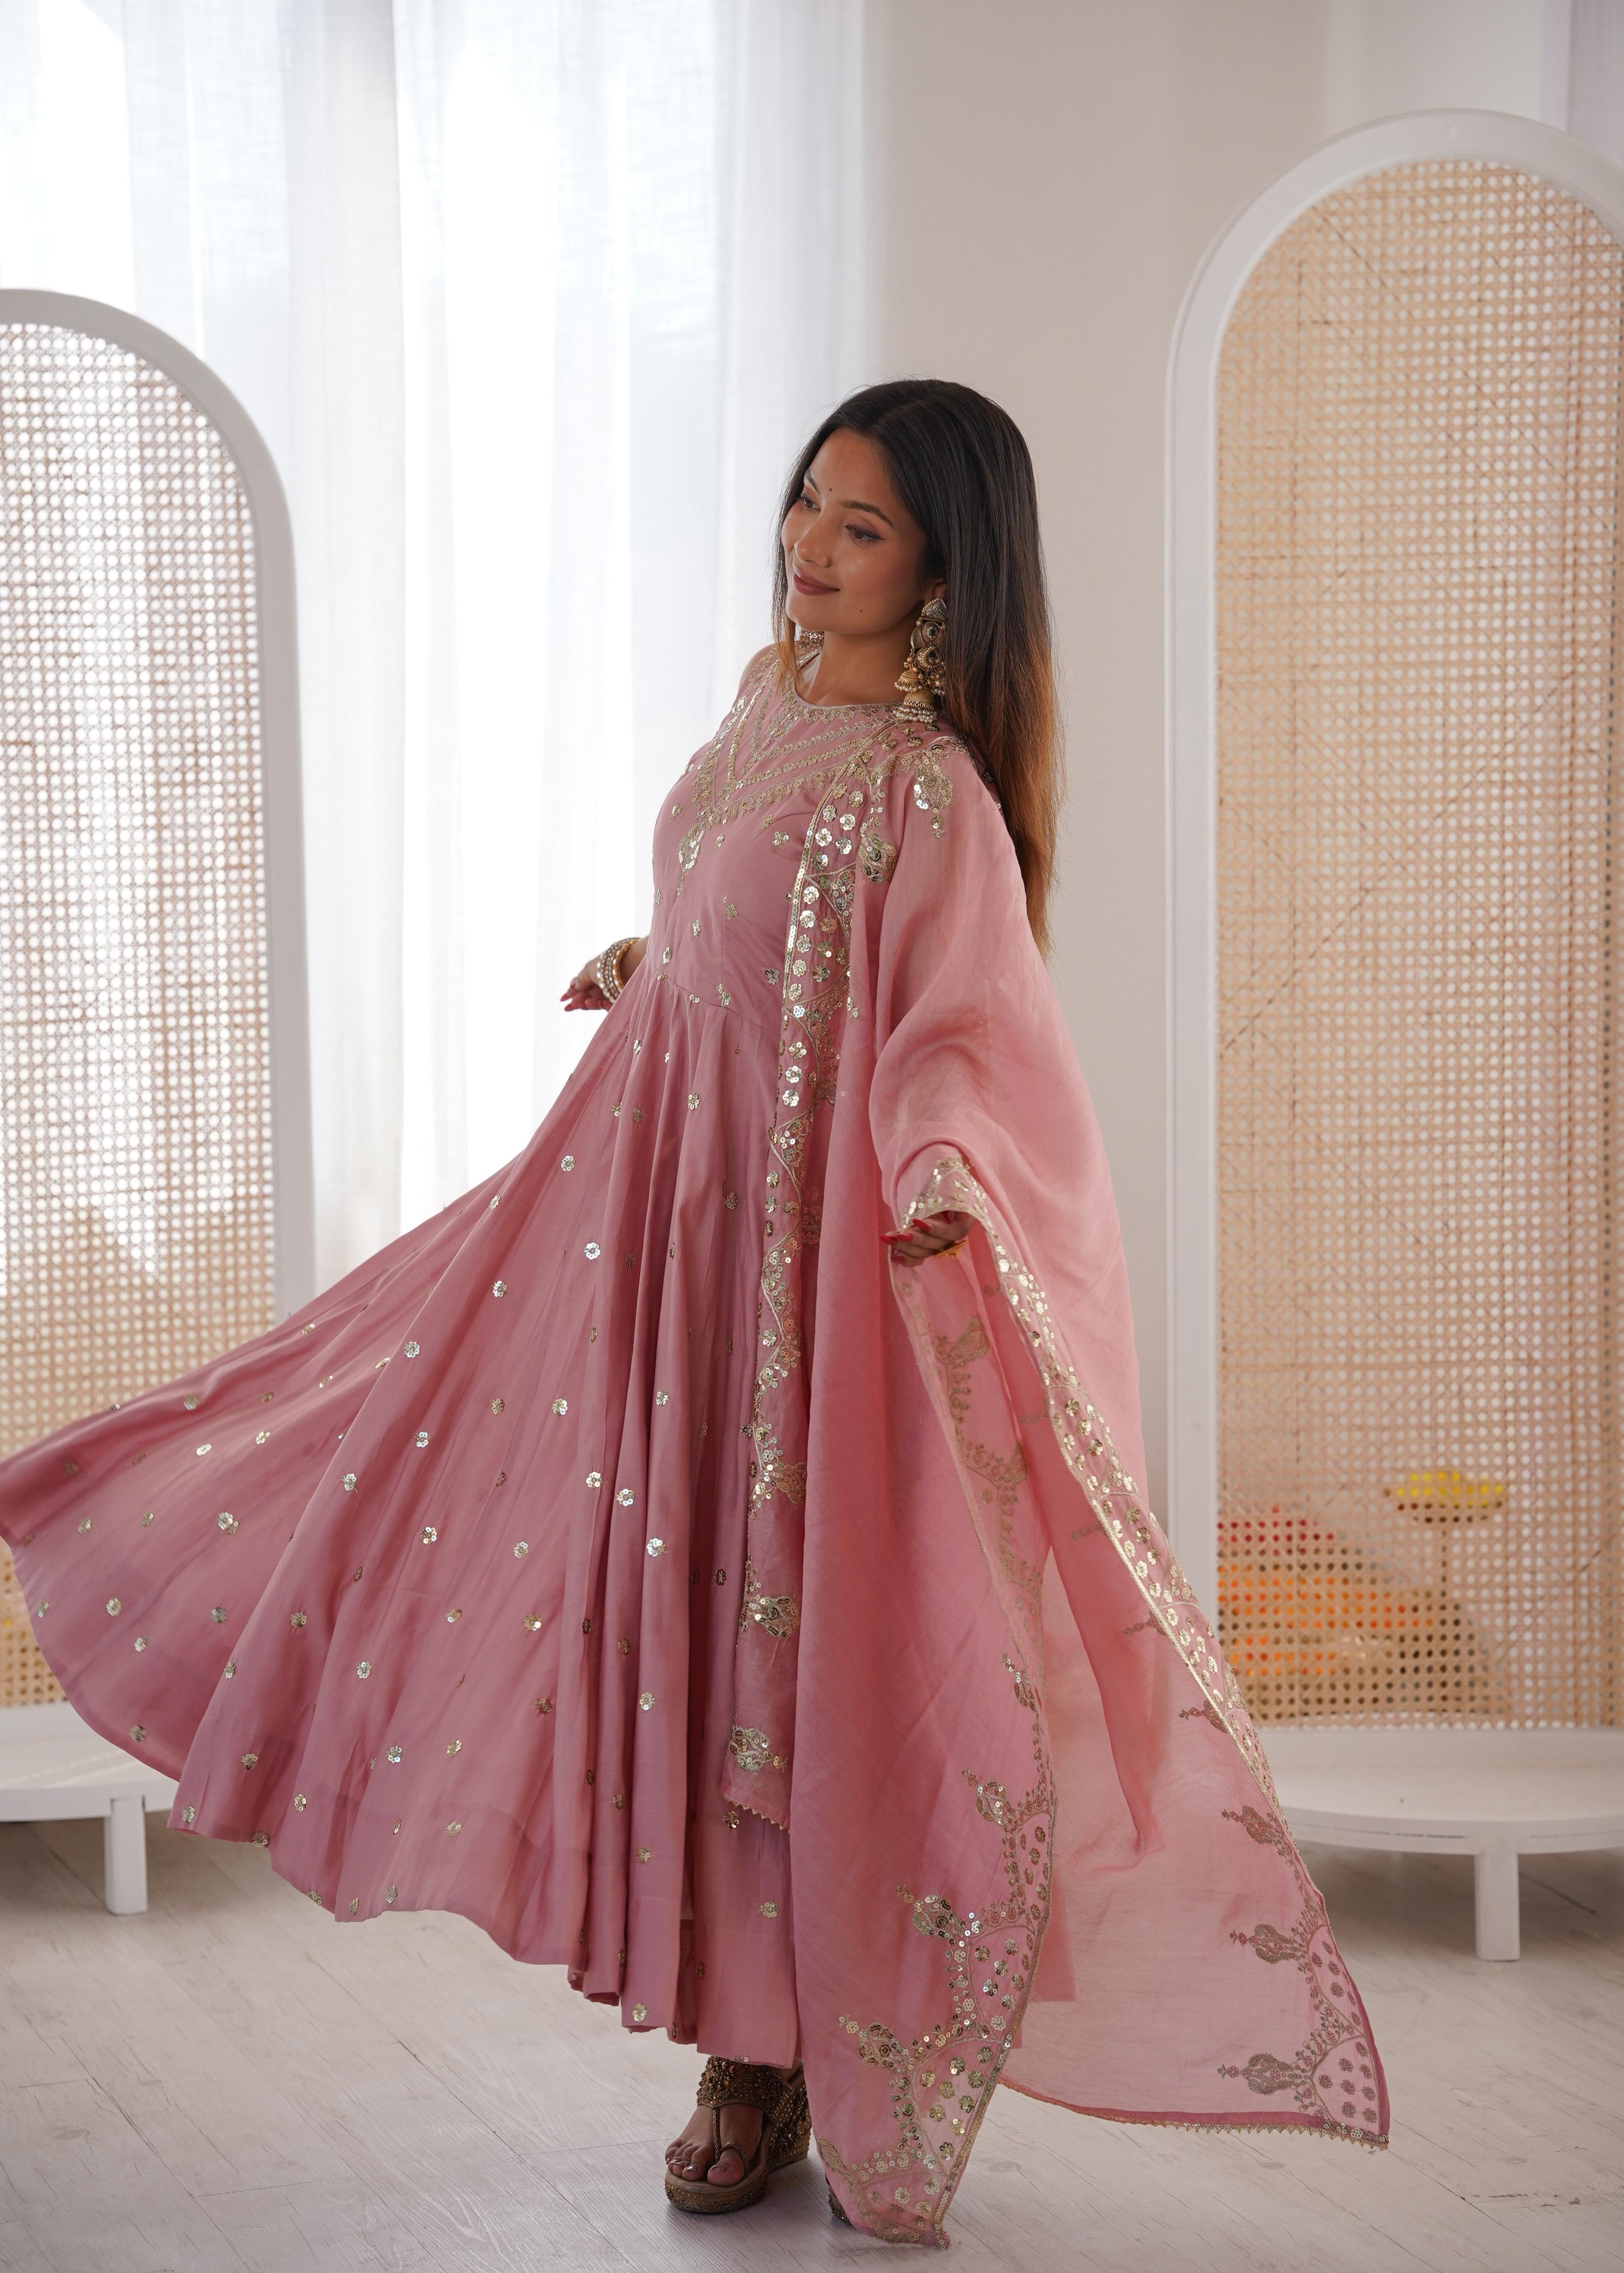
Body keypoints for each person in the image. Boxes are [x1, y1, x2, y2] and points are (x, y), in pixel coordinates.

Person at [0, 380, 1386, 2245]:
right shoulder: (764, 699)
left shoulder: (929, 788)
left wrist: (944, 1168)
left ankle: (773, 2056)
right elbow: (768, 923)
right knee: (474, 1483)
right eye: (807, 503)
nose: (810, 547)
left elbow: (962, 1026)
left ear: (947, 571)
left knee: (784, 1639)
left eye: (862, 528)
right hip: (657, 1217)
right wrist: (658, 961)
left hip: (812, 1272)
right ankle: (736, 2021)